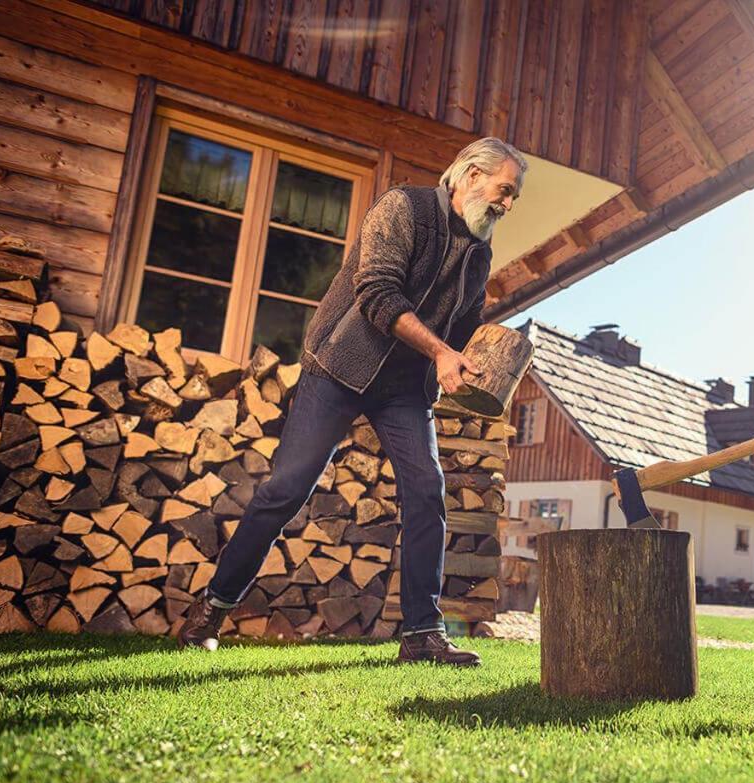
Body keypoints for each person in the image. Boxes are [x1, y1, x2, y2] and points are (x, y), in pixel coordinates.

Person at [178, 138, 529, 667]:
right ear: (471, 175)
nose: (507, 204)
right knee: (286, 488)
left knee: (427, 489)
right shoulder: (402, 208)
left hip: (404, 390)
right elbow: (378, 294)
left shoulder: (479, 253)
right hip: (339, 366)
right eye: (505, 190)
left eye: (514, 198)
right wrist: (439, 350)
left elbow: (462, 326)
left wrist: (480, 357)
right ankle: (211, 609)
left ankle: (422, 634)